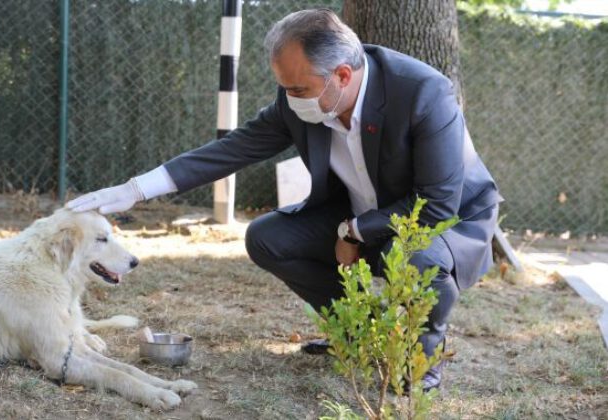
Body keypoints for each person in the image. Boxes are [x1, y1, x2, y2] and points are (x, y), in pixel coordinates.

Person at [66, 9, 501, 392]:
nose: (291, 98)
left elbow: (436, 204)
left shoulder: (424, 92)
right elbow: (233, 148)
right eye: (285, 87)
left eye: (298, 88)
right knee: (267, 237)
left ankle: (416, 362)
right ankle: (357, 334)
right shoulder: (301, 98)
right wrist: (135, 189)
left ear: (343, 76)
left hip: (443, 224)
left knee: (418, 257)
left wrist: (355, 231)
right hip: (356, 210)